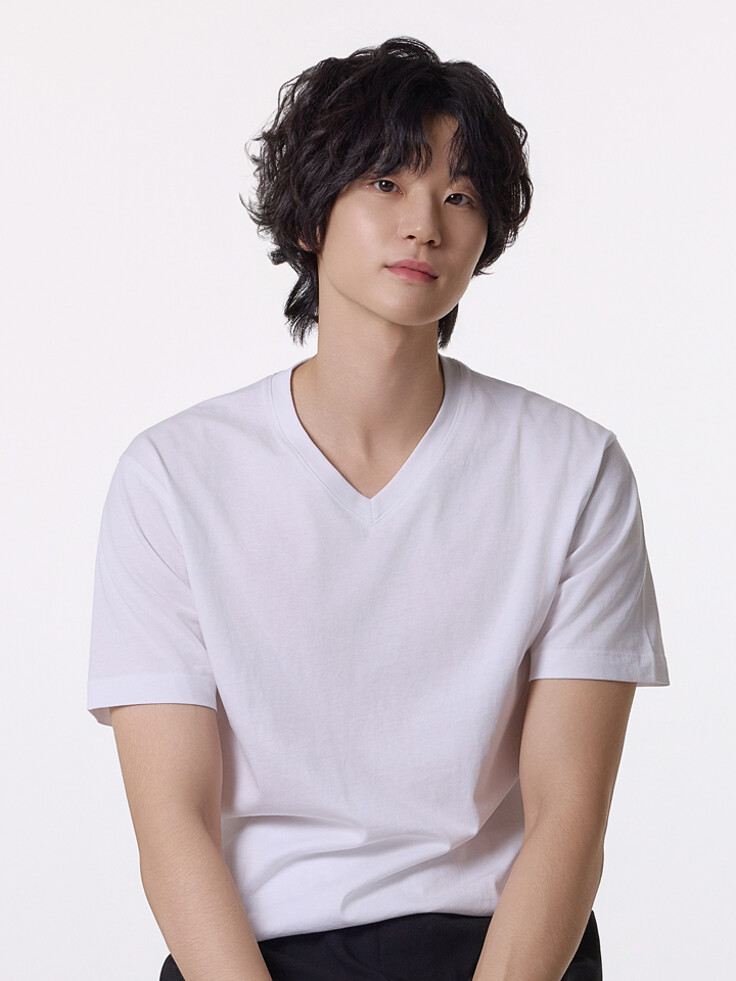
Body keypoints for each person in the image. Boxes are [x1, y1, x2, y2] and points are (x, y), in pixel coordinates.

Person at [86, 36, 670, 981]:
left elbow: (570, 815)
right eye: (387, 183)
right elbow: (172, 824)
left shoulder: (574, 469)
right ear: (311, 215)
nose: (424, 225)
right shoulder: (173, 477)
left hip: (503, 949)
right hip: (253, 956)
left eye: (460, 194)